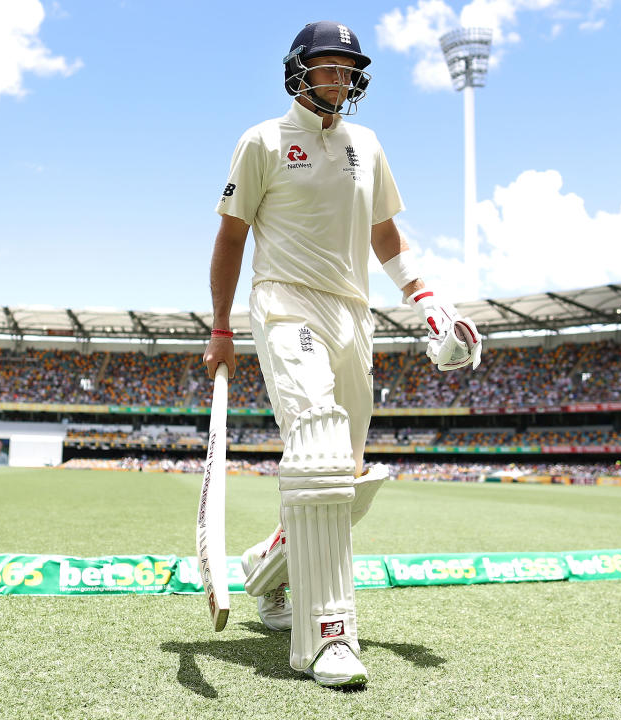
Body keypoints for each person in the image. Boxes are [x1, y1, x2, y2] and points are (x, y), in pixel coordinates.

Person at [202, 21, 481, 688]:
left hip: (354, 313)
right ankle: (328, 636)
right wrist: (220, 328)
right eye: (326, 67)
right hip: (286, 301)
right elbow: (231, 238)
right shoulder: (263, 141)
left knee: (346, 478)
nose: (338, 79)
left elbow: (385, 234)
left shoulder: (368, 145)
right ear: (298, 71)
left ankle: (267, 569)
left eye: (347, 69)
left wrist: (427, 301)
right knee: (320, 446)